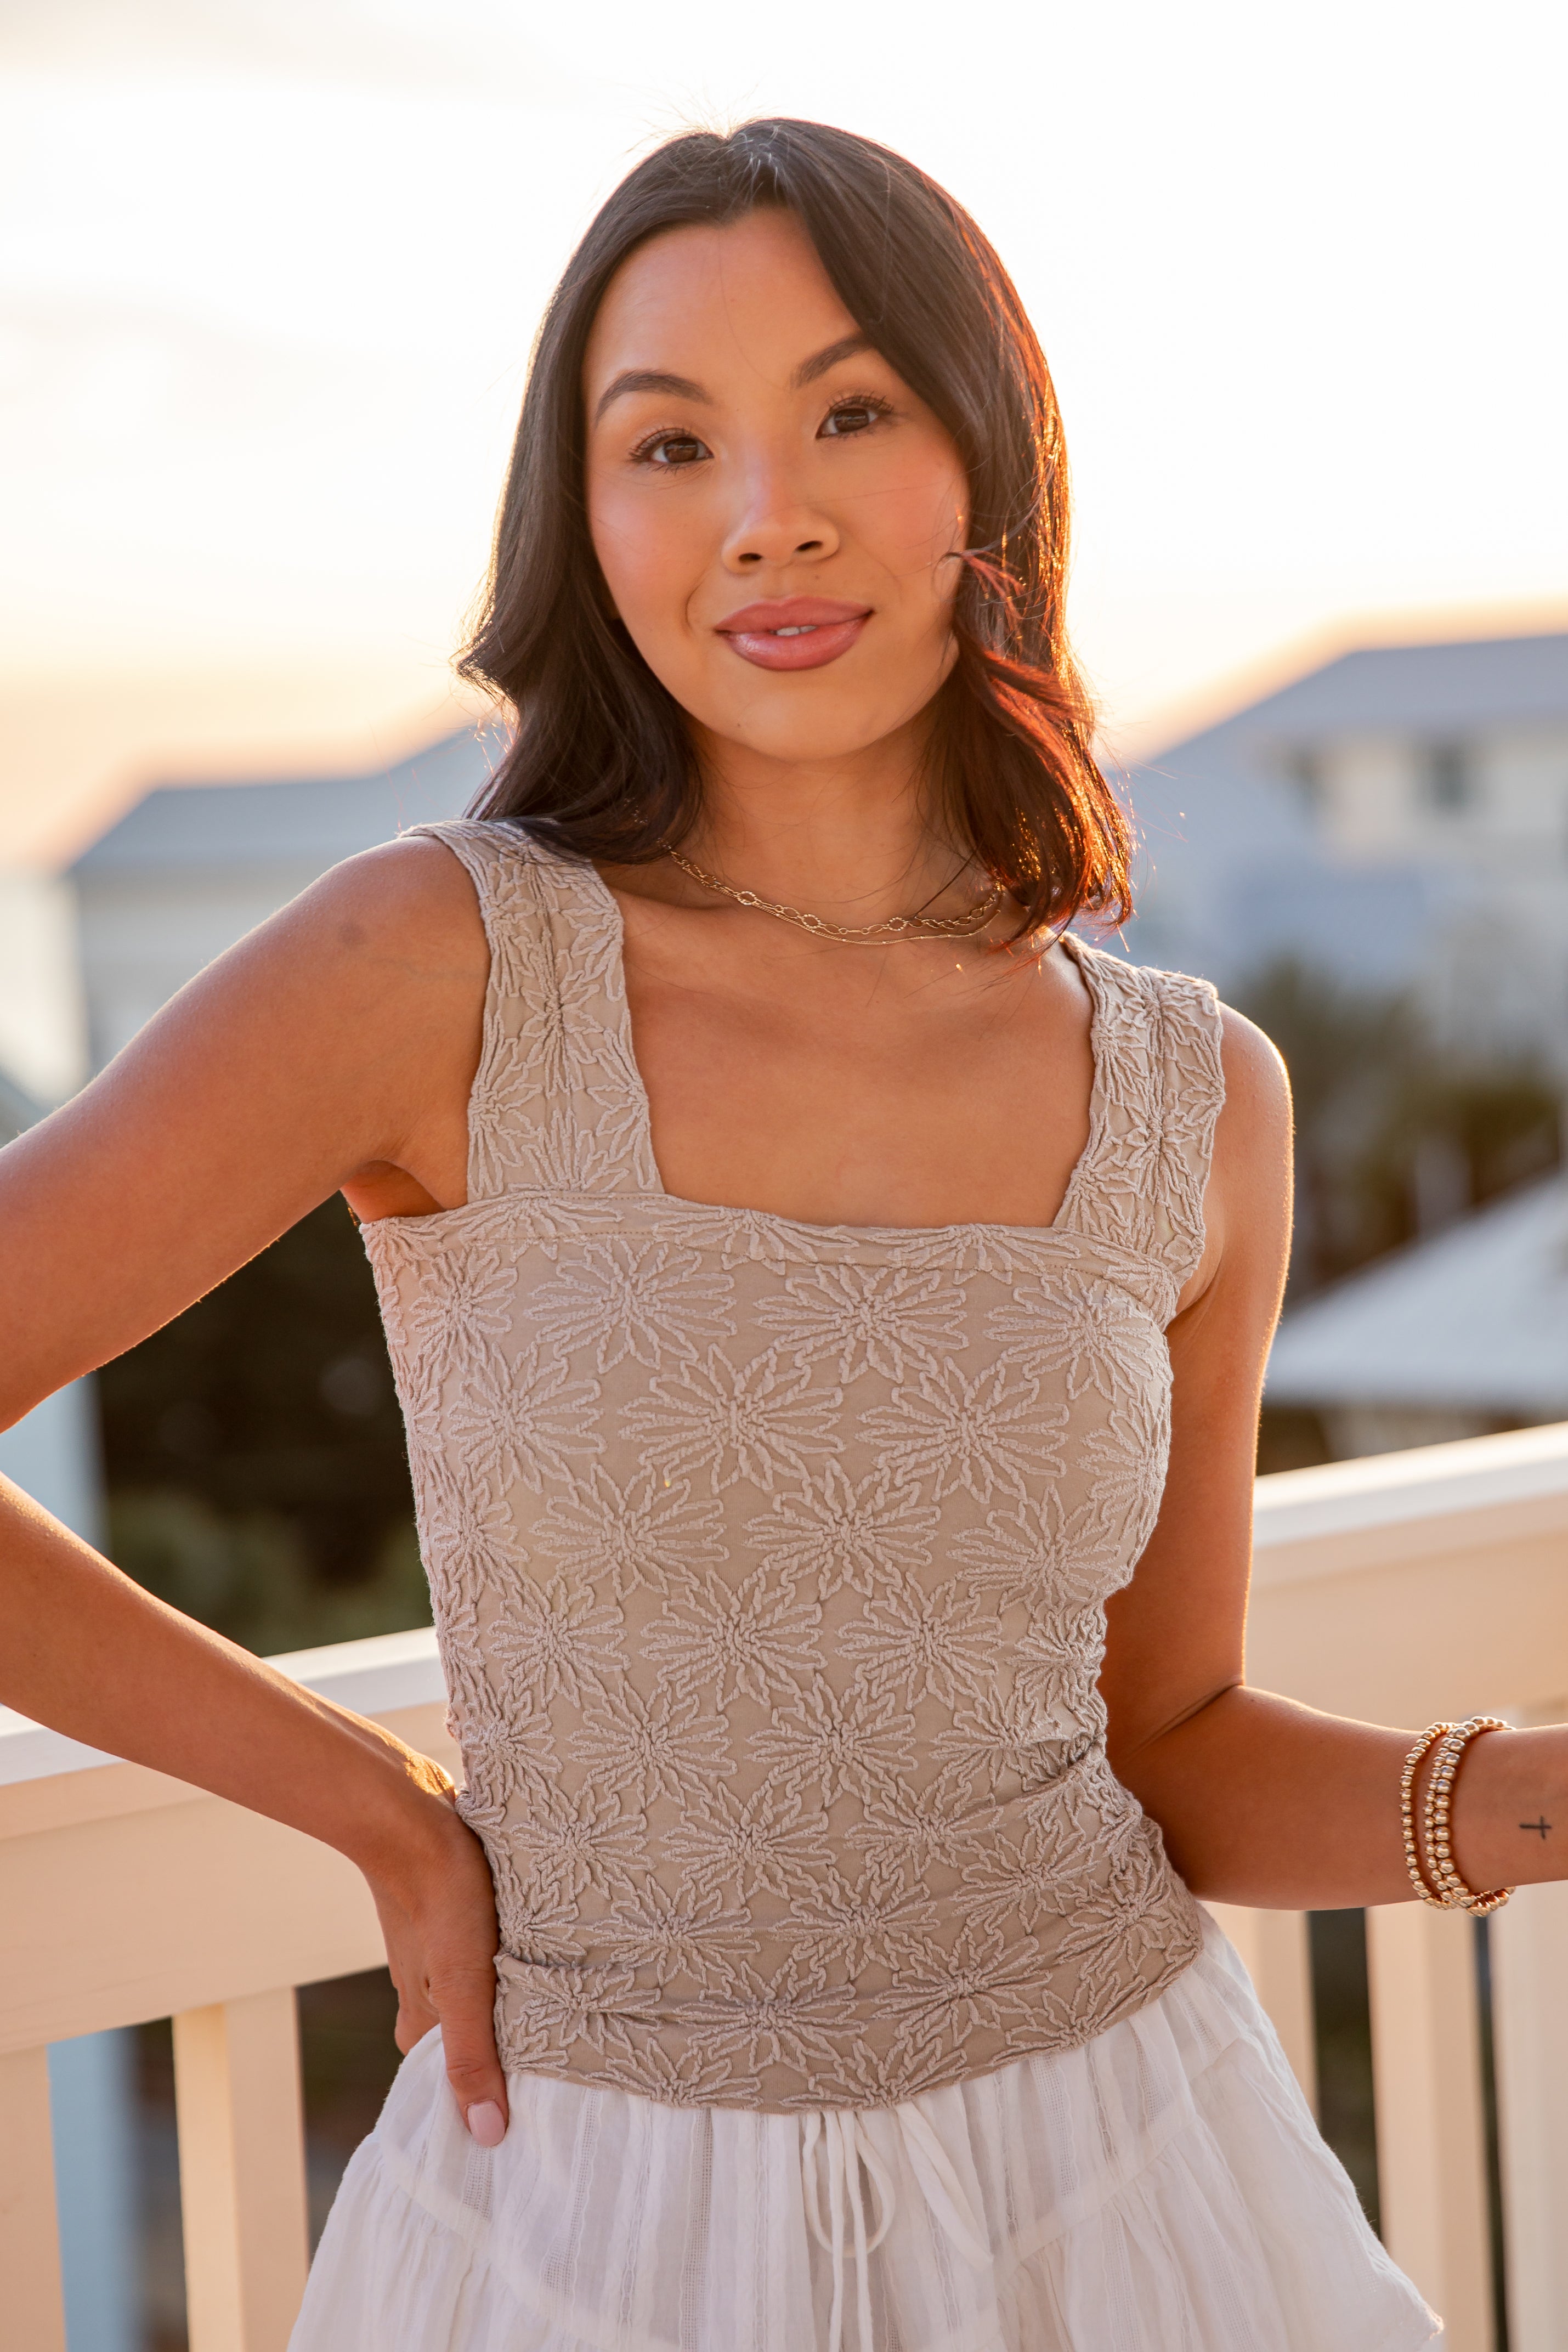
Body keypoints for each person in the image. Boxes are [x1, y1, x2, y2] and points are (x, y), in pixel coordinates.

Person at [3, 117, 1553, 2351]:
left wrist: (1511, 1801)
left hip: (1127, 2182)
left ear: (984, 459)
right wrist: (381, 1812)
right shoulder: (430, 966)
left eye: (851, 409)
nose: (770, 514)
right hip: (594, 2228)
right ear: (586, 514)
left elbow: (1176, 1734)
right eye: (670, 443)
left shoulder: (1196, 1094)